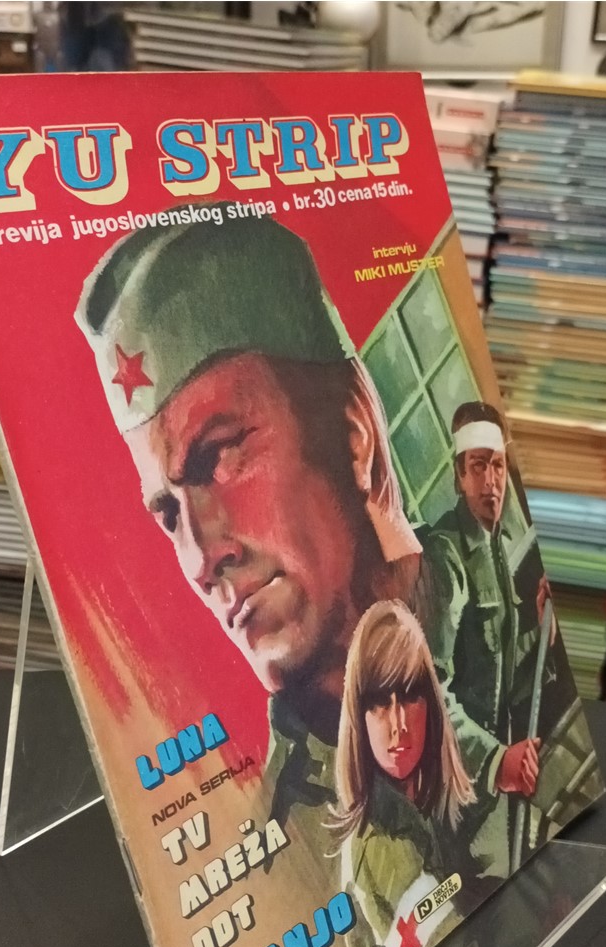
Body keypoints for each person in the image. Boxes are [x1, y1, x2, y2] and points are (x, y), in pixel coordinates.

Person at [75, 208, 462, 895]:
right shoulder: (279, 854)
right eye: (168, 513)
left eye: (219, 456)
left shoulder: (501, 609)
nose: (201, 558)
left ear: (354, 434)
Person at [429, 401, 600, 879]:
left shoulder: (499, 547)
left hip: (501, 794)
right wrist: (495, 761)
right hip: (462, 803)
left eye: (498, 465)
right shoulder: (445, 557)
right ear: (458, 475)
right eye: (477, 466)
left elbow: (497, 668)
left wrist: (541, 629)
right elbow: (431, 695)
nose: (491, 482)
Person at [330, 599, 489, 947]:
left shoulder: (428, 801)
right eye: (379, 701)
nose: (398, 723)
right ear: (359, 715)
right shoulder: (377, 843)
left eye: (410, 694)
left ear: (430, 704)